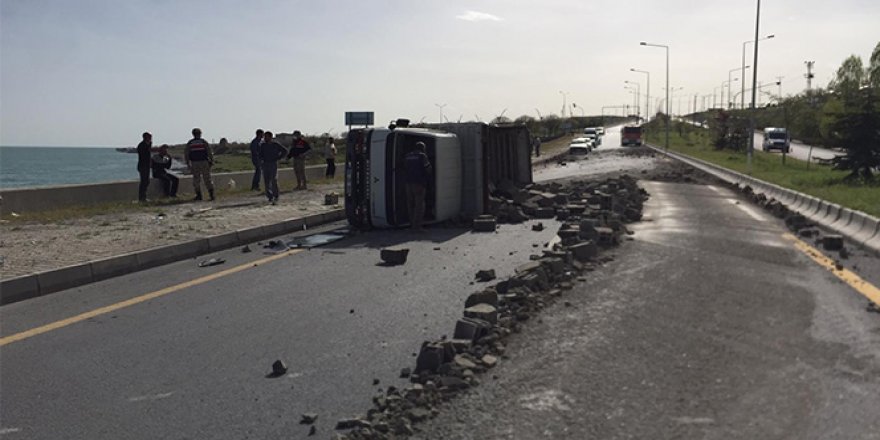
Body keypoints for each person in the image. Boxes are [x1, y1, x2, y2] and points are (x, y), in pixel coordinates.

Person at [403, 141, 432, 230]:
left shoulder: (407, 156)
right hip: (419, 183)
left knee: (410, 204)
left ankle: (412, 224)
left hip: (408, 183)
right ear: (423, 148)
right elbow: (428, 169)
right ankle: (417, 227)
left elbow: (404, 168)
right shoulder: (422, 156)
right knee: (419, 205)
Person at [184, 127, 215, 201]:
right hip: (204, 162)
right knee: (207, 178)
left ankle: (199, 196)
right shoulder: (203, 142)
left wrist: (188, 163)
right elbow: (209, 152)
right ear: (200, 134)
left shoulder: (190, 143)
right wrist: (211, 161)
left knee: (196, 179)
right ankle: (211, 195)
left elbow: (186, 154)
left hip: (195, 163)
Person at [260, 131, 288, 204]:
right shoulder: (263, 145)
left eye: (266, 136)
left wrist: (278, 158)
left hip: (273, 163)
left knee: (273, 180)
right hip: (265, 164)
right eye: (264, 137)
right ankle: (269, 196)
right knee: (266, 181)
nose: (265, 138)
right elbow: (260, 154)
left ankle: (276, 195)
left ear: (270, 137)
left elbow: (284, 151)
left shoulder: (275, 144)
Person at [136, 132, 153, 202]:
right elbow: (144, 155)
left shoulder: (147, 145)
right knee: (144, 181)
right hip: (143, 165)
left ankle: (144, 196)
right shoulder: (142, 145)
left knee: (146, 181)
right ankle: (141, 197)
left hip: (147, 165)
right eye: (149, 137)